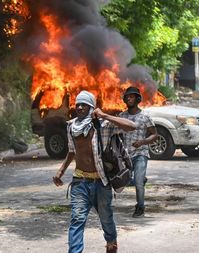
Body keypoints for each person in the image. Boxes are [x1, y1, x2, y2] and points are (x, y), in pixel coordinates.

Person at [52, 90, 136, 253]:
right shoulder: (71, 126)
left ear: (92, 107)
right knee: (77, 219)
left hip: (101, 182)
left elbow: (131, 126)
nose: (80, 107)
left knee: (106, 218)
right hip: (80, 182)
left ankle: (111, 242)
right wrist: (60, 171)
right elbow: (71, 151)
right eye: (78, 104)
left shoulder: (103, 125)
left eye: (85, 105)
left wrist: (105, 115)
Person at [120, 87, 157, 218]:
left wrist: (142, 142)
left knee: (138, 182)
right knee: (122, 180)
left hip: (141, 153)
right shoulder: (122, 116)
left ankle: (140, 207)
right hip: (126, 155)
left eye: (132, 96)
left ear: (137, 99)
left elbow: (154, 134)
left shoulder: (145, 116)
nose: (129, 98)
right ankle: (140, 179)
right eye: (127, 97)